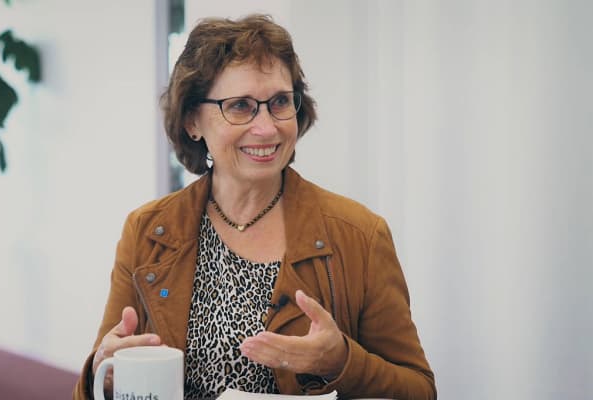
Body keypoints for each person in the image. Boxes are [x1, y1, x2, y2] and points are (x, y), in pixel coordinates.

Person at [73, 14, 436, 400]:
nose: (266, 127)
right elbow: (101, 378)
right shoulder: (147, 231)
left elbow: (419, 390)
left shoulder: (360, 235)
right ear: (193, 121)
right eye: (241, 106)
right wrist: (101, 375)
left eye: (280, 102)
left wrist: (341, 362)